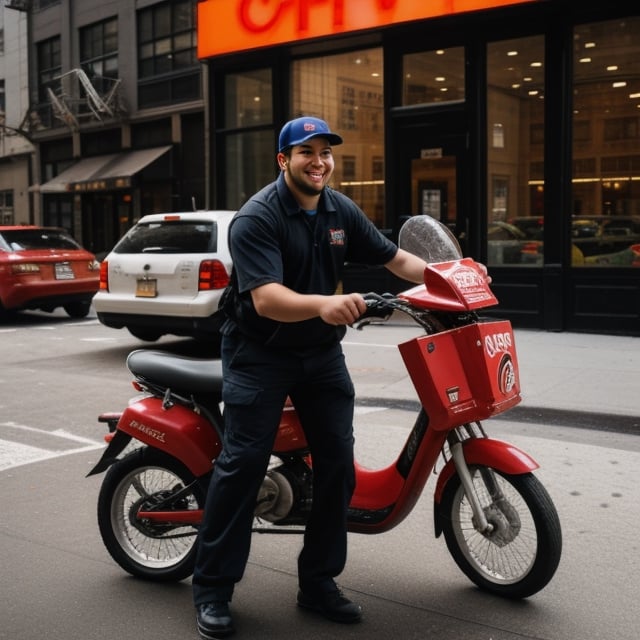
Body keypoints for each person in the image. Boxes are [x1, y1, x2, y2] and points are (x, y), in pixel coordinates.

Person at [192, 116, 429, 639]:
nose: (319, 161)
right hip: (261, 352)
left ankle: (318, 582)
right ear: (284, 160)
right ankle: (211, 587)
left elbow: (395, 257)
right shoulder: (257, 217)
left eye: (325, 152)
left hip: (319, 355)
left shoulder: (339, 209)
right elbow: (266, 299)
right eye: (307, 152)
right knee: (244, 462)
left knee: (337, 464)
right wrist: (326, 304)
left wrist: (451, 273)